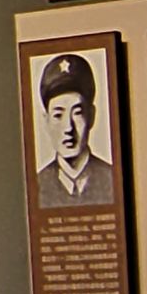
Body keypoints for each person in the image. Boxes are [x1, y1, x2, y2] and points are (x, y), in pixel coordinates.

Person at [33, 53, 115, 208]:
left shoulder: (113, 180)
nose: (68, 128)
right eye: (58, 115)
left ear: (91, 116)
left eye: (77, 113)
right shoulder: (36, 187)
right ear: (46, 121)